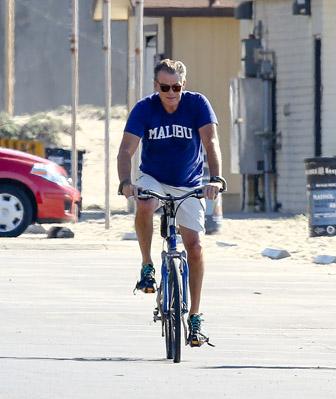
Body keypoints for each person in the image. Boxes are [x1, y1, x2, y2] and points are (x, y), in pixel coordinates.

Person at [117, 59, 226, 347]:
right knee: (144, 203)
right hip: (153, 177)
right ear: (157, 86)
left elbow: (211, 142)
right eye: (165, 87)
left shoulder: (197, 104)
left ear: (183, 86)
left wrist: (215, 178)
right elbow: (126, 150)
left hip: (188, 183)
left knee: (195, 247)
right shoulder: (144, 108)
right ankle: (147, 266)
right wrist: (126, 182)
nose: (171, 93)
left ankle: (195, 317)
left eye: (176, 87)